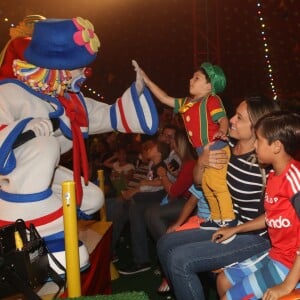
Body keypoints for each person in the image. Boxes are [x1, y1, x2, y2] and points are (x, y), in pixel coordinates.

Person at [0, 17, 159, 273]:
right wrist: (25, 129)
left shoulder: (71, 102)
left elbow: (109, 116)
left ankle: (44, 233)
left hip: (35, 177)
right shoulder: (10, 92)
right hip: (7, 181)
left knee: (91, 198)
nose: (85, 73)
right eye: (78, 67)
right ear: (56, 65)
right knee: (45, 148)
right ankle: (49, 241)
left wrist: (137, 91)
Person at [156, 96, 280, 300]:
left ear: (257, 126)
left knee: (180, 260)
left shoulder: (264, 162)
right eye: (234, 114)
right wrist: (202, 162)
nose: (230, 119)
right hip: (225, 221)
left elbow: (277, 214)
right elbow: (197, 182)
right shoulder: (225, 144)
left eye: (239, 118)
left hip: (254, 235)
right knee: (165, 243)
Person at [134, 60, 236, 229]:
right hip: (201, 151)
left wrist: (223, 130)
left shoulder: (211, 100)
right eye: (192, 77)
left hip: (216, 148)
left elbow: (223, 119)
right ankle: (217, 218)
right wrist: (146, 79)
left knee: (217, 184)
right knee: (207, 184)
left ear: (209, 86)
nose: (190, 80)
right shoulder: (187, 103)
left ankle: (228, 218)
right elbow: (164, 97)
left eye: (196, 78)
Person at [216, 111, 300, 300]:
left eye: (259, 140)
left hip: (290, 264)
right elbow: (272, 217)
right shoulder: (272, 175)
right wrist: (235, 229)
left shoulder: (295, 179)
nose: (254, 145)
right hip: (276, 254)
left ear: (276, 146)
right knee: (222, 281)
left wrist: (288, 284)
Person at [117, 139, 170, 275]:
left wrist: (140, 187)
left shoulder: (161, 166)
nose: (148, 149)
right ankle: (138, 257)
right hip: (151, 194)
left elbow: (161, 182)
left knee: (135, 205)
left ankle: (141, 260)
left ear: (158, 152)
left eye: (152, 148)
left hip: (160, 197)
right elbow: (150, 181)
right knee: (130, 203)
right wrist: (141, 186)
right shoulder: (152, 164)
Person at [145, 129, 197, 242]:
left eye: (173, 141)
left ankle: (170, 245)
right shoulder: (186, 163)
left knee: (154, 214)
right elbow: (181, 186)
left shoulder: (190, 164)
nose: (171, 144)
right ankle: (164, 245)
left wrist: (163, 176)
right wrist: (175, 175)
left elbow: (173, 191)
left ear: (180, 144)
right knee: (149, 212)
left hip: (188, 202)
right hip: (183, 199)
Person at [0, 14, 46, 79]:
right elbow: (38, 59)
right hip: (10, 83)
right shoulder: (22, 40)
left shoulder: (21, 39)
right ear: (31, 26)